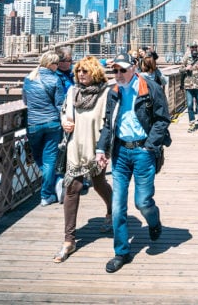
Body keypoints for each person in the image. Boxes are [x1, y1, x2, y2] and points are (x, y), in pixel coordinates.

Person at [95, 52, 171, 273]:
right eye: (115, 70)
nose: (118, 74)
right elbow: (108, 123)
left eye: (122, 70)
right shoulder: (113, 92)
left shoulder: (150, 88)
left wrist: (150, 146)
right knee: (118, 207)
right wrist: (102, 148)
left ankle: (154, 221)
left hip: (142, 152)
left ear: (134, 68)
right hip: (120, 152)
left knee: (142, 202)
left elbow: (162, 118)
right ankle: (121, 252)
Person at [54, 56, 113, 263]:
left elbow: (110, 121)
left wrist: (104, 149)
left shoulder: (106, 93)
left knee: (98, 184)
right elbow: (64, 112)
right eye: (78, 71)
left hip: (96, 147)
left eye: (85, 71)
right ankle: (69, 240)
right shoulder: (72, 92)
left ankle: (111, 211)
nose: (80, 74)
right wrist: (64, 123)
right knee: (72, 188)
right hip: (74, 146)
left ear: (94, 72)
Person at [22, 51, 66, 206]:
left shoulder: (28, 78)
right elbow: (60, 104)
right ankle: (49, 191)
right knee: (49, 159)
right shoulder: (56, 79)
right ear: (52, 65)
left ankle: (50, 188)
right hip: (53, 124)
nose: (58, 67)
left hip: (33, 124)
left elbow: (25, 101)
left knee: (37, 157)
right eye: (57, 64)